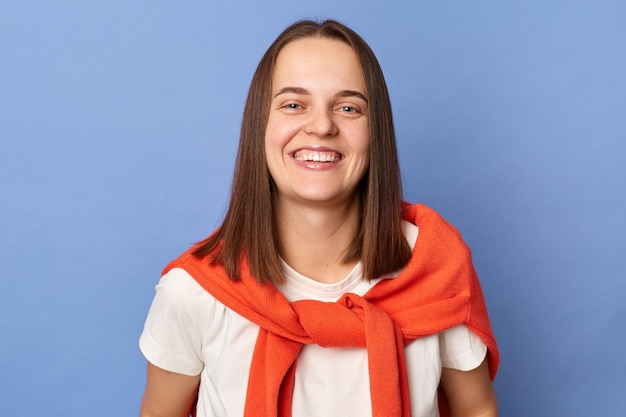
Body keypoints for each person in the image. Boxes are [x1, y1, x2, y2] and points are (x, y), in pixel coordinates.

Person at [139, 19, 500, 417]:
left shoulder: (435, 267)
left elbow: (477, 410)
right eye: (294, 104)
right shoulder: (192, 292)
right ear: (261, 124)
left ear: (375, 131)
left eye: (348, 107)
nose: (322, 126)